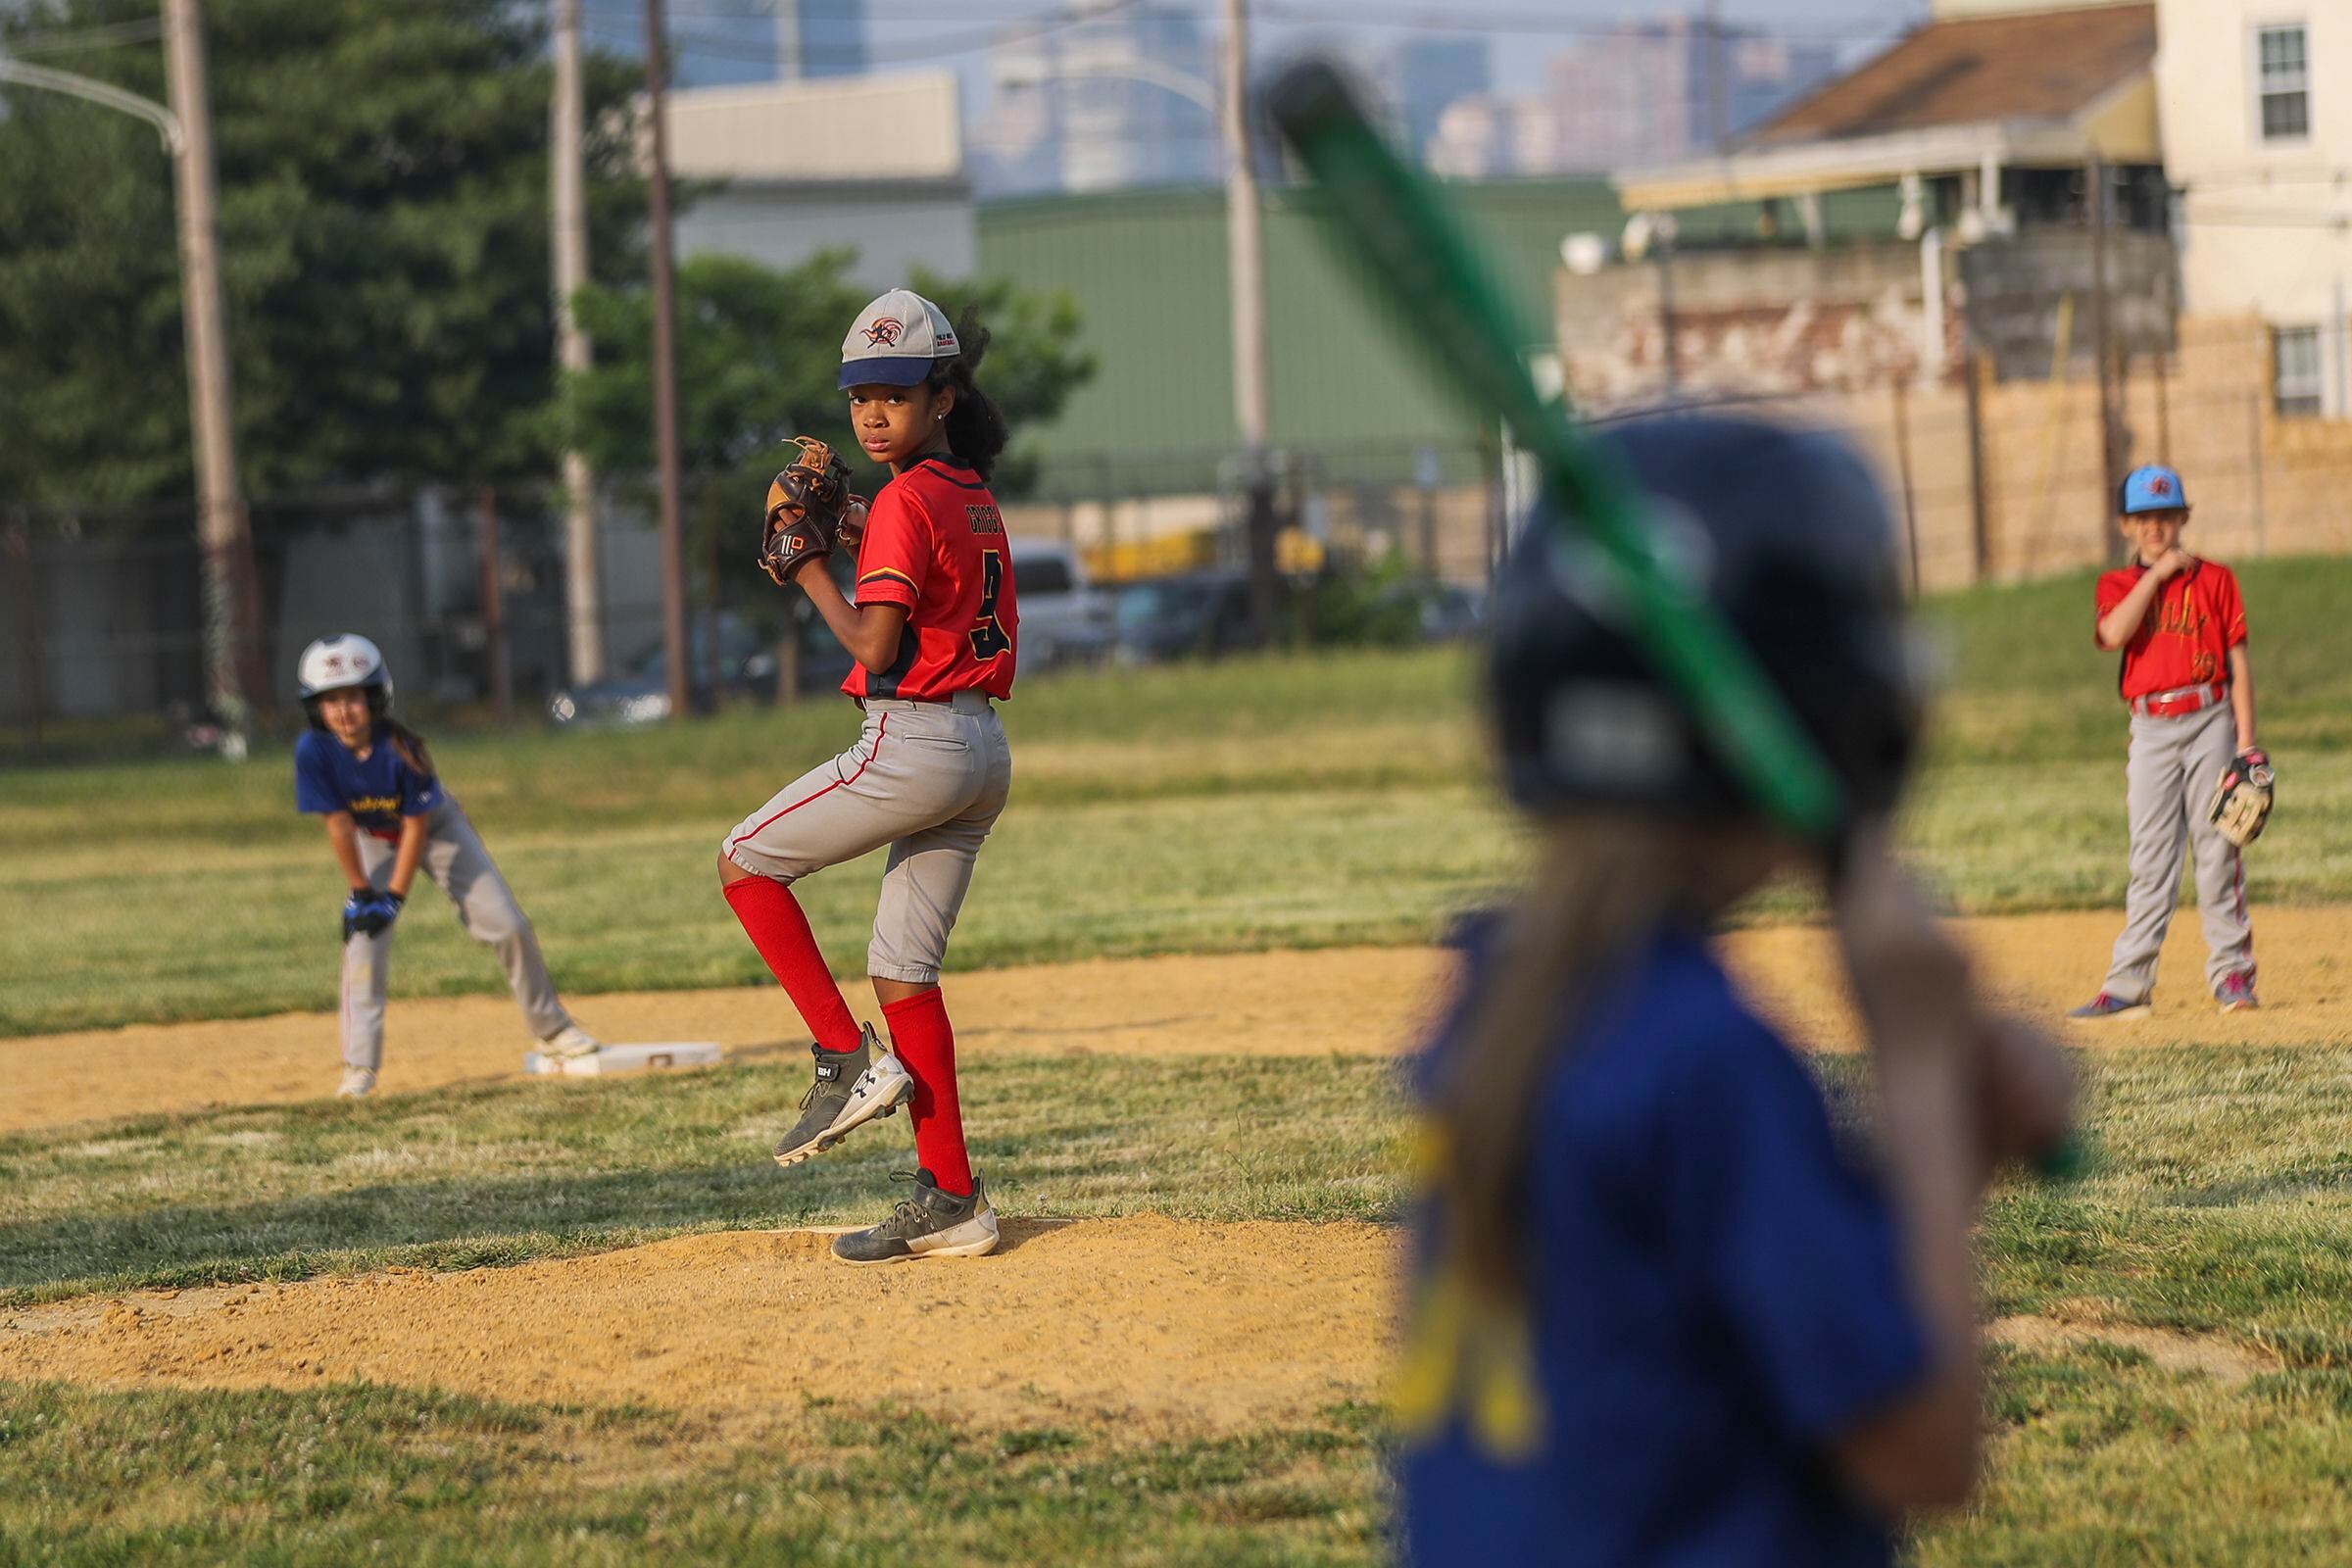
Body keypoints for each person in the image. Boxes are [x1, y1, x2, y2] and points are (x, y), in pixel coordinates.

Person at [1396, 416, 2077, 1566]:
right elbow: (1925, 1449)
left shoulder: (1502, 1003)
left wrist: (1951, 1153)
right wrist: (1913, 1063)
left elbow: (1720, 1298)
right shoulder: (1702, 1058)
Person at [717, 287, 1018, 1265]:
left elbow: (871, 635)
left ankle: (841, 1055)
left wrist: (802, 560)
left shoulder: (900, 500)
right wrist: (846, 518)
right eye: (859, 397)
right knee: (904, 970)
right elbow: (913, 550)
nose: (872, 413)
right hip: (980, 750)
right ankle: (952, 1196)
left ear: (941, 395)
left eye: (895, 392)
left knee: (743, 862)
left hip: (913, 742)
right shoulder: (966, 490)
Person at [294, 634, 601, 1099]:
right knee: (362, 943)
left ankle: (552, 1029)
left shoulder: (403, 748)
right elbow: (338, 825)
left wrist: (393, 898)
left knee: (507, 923)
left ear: (376, 697)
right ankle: (358, 1068)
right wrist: (362, 893)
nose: (343, 711)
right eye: (330, 700)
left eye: (353, 697)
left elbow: (416, 828)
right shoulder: (313, 752)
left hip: (436, 828)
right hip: (372, 839)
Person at [2069, 464, 2261, 1019]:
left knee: (2217, 849)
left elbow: (2238, 663)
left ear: (2183, 517)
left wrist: (2247, 744)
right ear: (2127, 525)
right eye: (2144, 517)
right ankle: (2129, 986)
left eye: (2165, 515)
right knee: (2151, 858)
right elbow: (2112, 633)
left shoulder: (2217, 580)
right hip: (2150, 727)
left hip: (2210, 717)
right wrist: (2156, 576)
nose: (2156, 527)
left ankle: (2232, 977)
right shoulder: (2116, 585)